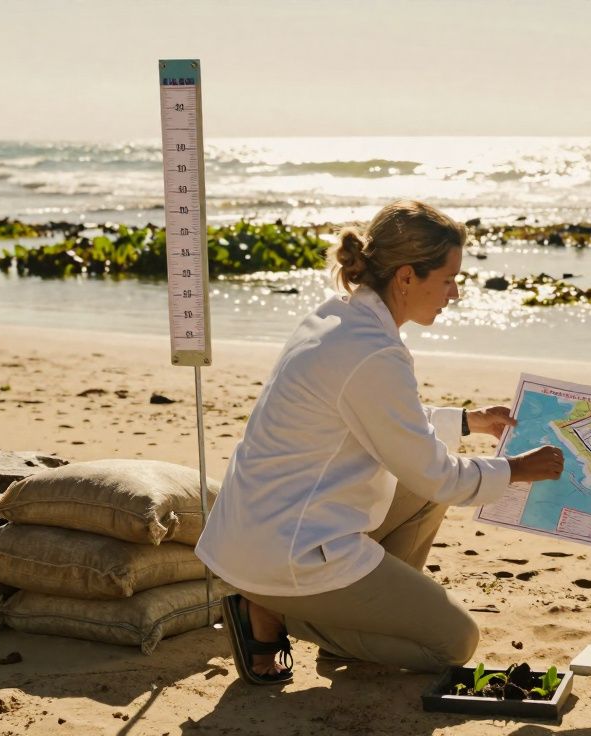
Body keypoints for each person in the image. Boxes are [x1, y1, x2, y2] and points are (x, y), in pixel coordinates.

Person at [195, 199, 564, 684]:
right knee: (454, 643)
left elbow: (377, 419)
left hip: (265, 524)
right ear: (407, 276)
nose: (454, 294)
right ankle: (274, 610)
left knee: (423, 494)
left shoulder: (337, 316)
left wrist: (469, 422)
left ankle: (335, 616)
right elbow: (439, 474)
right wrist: (518, 471)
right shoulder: (372, 351)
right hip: (286, 548)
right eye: (449, 279)